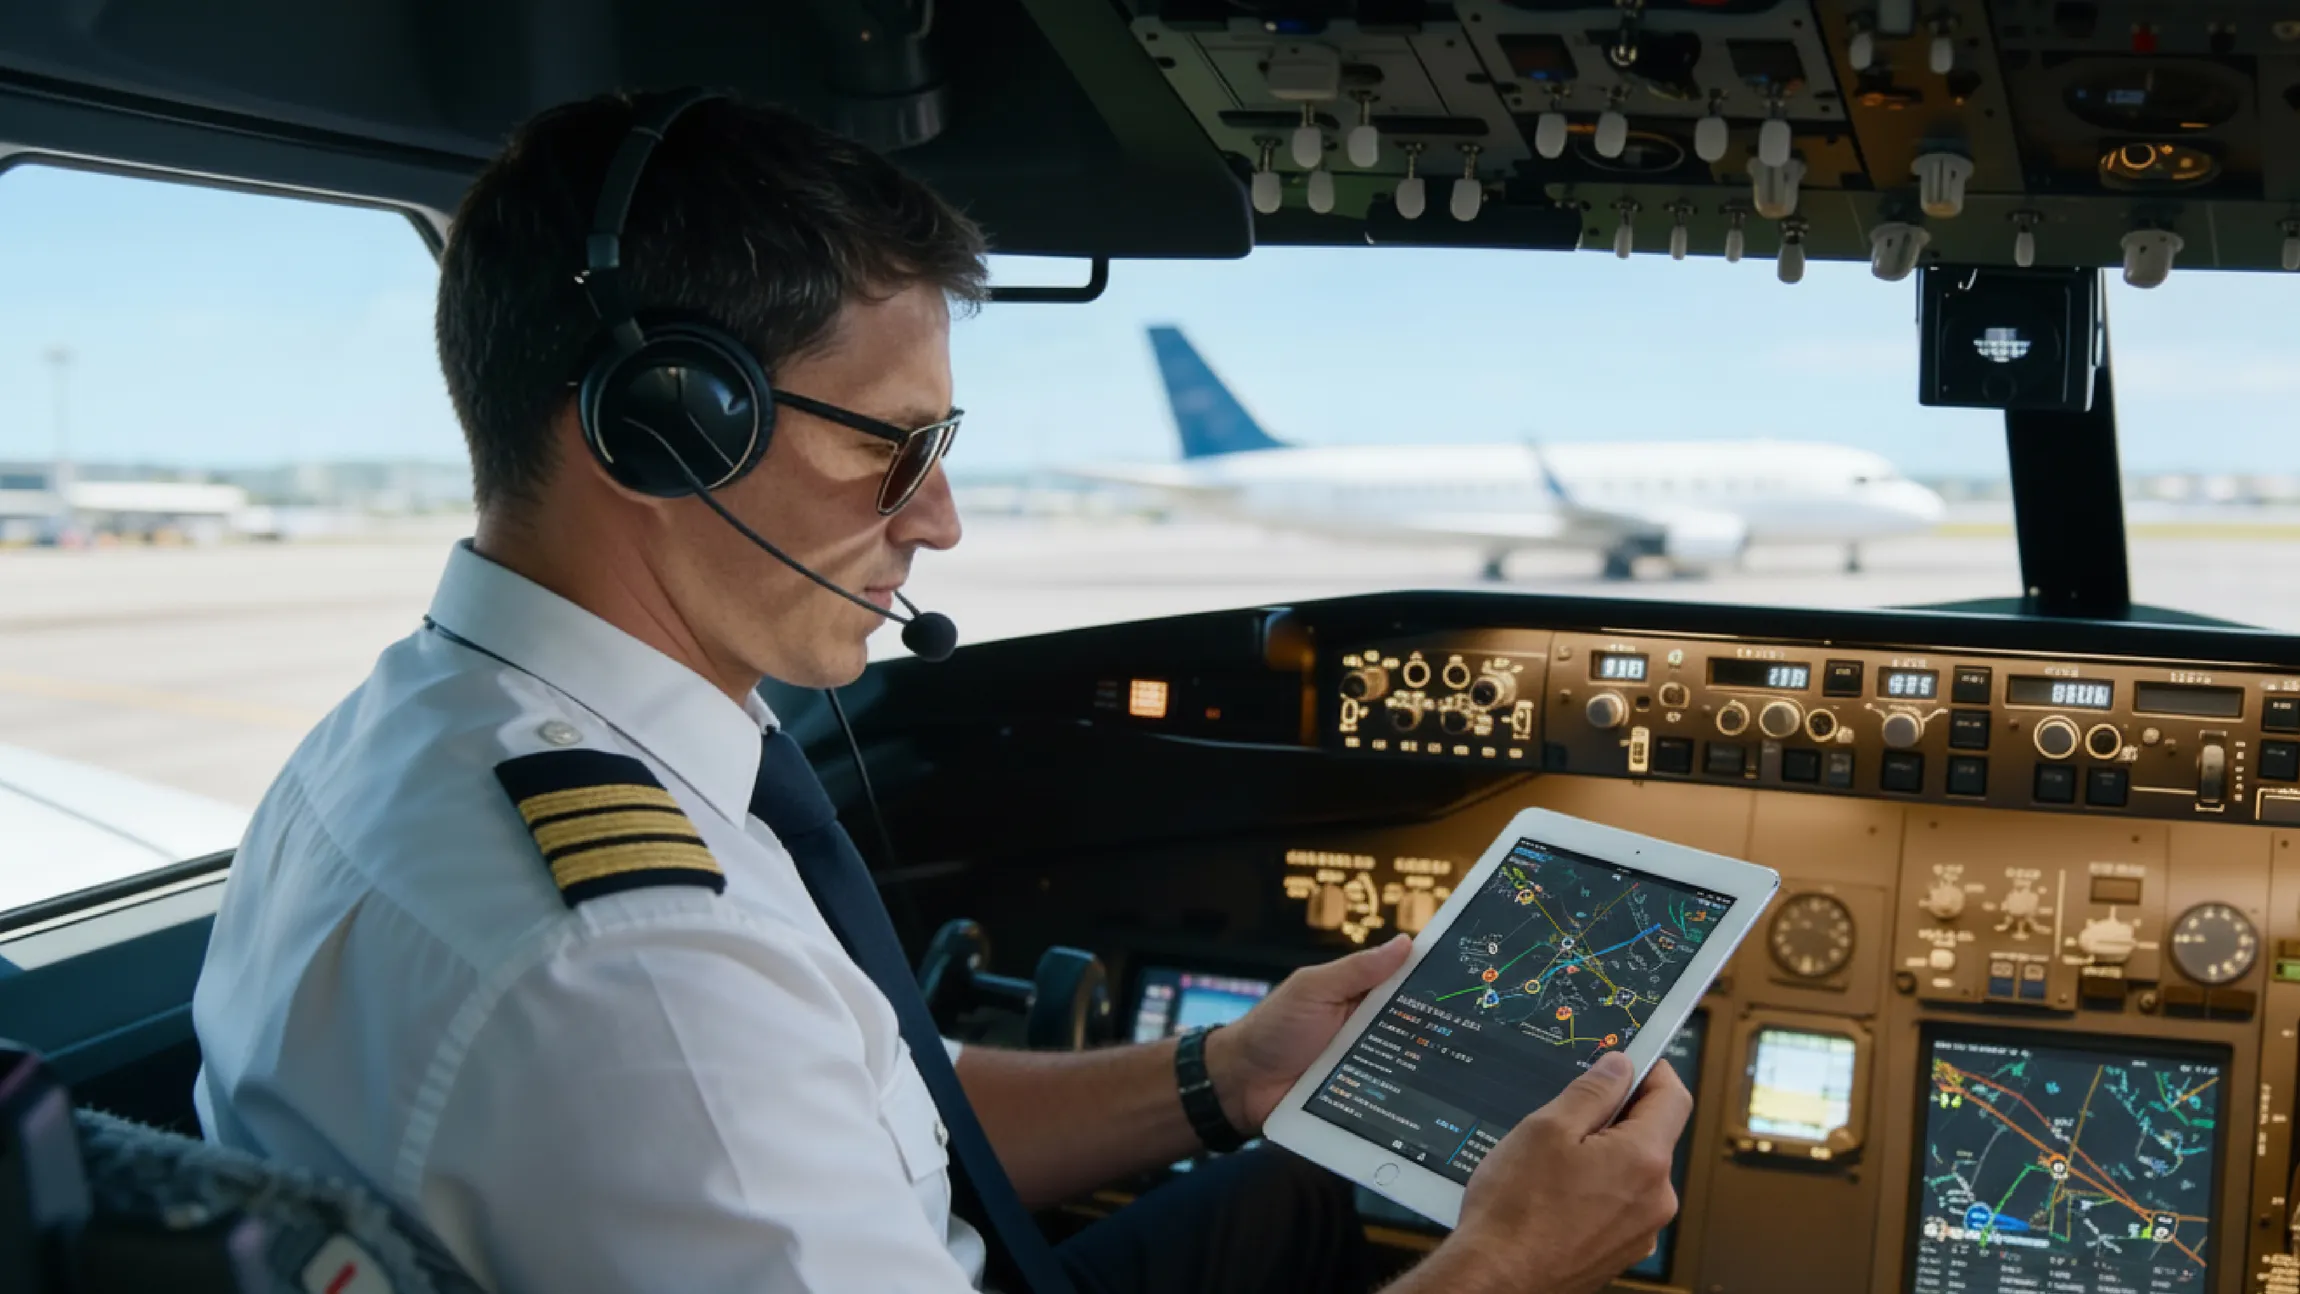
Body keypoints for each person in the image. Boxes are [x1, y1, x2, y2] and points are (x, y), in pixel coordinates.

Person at [187, 86, 1691, 1294]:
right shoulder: (638, 975)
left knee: (1294, 1181)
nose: (940, 515)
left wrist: (1223, 1069)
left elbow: (869, 1114)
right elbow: (730, 1072)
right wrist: (1511, 1262)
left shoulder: (418, 725)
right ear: (659, 430)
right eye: (887, 443)